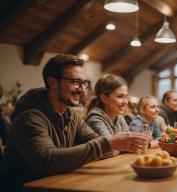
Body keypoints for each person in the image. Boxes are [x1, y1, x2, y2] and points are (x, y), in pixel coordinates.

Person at [0, 54, 148, 191]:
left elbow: (96, 143)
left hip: (58, 184)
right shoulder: (29, 117)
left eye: (84, 83)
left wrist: (112, 143)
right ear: (53, 82)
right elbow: (48, 161)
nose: (82, 90)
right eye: (75, 82)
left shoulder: (70, 114)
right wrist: (109, 143)